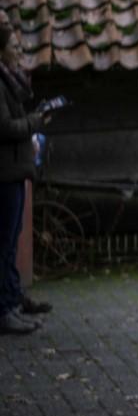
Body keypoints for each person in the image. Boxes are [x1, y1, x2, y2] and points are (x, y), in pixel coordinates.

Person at [0, 18, 54, 334]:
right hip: (5, 174)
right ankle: (5, 308)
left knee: (10, 237)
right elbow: (4, 127)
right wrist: (34, 122)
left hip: (14, 170)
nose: (18, 51)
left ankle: (12, 301)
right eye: (13, 47)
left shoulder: (10, 80)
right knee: (5, 243)